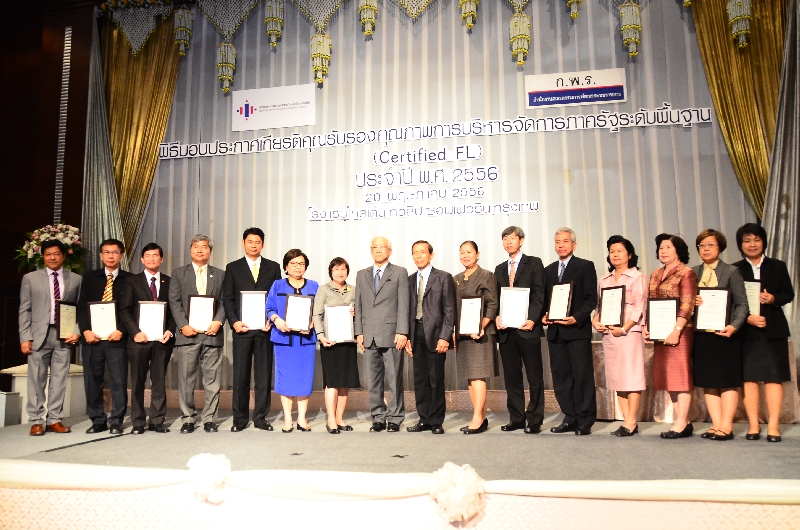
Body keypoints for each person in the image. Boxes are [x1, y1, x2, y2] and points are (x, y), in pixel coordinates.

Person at [733, 223, 795, 443]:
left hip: (773, 328)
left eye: (756, 240)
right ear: (741, 245)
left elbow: (789, 294)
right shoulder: (735, 269)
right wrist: (747, 317)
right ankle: (753, 425)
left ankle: (774, 426)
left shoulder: (777, 266)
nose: (752, 244)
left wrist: (773, 298)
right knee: (749, 379)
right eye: (747, 241)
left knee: (773, 378)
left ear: (763, 242)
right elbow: (731, 301)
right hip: (746, 330)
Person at [18, 239, 81, 436]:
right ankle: (36, 420)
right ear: (43, 256)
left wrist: (77, 331)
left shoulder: (76, 279)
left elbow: (80, 309)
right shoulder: (30, 278)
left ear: (63, 256)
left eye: (56, 254)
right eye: (48, 254)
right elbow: (25, 309)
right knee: (36, 379)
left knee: (59, 379)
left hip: (64, 335)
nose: (52, 257)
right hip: (38, 335)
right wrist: (25, 336)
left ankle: (55, 419)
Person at [691, 229, 748, 441]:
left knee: (727, 381)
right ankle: (716, 425)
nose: (706, 249)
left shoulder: (732, 272)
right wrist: (692, 303)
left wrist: (734, 326)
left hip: (725, 334)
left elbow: (742, 304)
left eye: (711, 245)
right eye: (702, 245)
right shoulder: (692, 272)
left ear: (720, 247)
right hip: (702, 335)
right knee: (709, 381)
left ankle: (727, 426)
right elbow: (684, 303)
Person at [223, 227, 282, 432]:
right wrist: (234, 322)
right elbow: (228, 298)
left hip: (265, 329)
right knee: (240, 376)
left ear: (263, 245)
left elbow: (276, 298)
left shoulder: (273, 267)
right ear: (243, 243)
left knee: (263, 376)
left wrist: (272, 321)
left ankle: (260, 418)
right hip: (242, 329)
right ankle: (239, 419)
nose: (254, 245)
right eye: (250, 241)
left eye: (257, 242)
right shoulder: (233, 268)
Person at [542, 227, 598, 435]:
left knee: (582, 376)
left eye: (565, 241)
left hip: (577, 330)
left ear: (574, 245)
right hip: (555, 332)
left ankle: (585, 419)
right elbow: (545, 299)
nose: (561, 245)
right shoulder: (548, 270)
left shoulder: (585, 266)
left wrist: (577, 317)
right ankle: (570, 416)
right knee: (561, 377)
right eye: (557, 242)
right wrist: (543, 315)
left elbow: (591, 298)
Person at [168, 234, 226, 433]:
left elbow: (225, 301)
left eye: (204, 247)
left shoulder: (220, 274)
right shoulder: (178, 273)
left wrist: (218, 321)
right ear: (190, 250)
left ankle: (209, 418)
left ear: (210, 251)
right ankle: (188, 418)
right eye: (196, 246)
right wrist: (183, 325)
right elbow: (174, 302)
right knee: (186, 379)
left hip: (212, 334)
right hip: (187, 335)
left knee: (212, 380)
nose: (200, 250)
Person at [592, 236, 647, 437]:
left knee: (631, 377)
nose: (615, 254)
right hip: (610, 333)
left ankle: (631, 420)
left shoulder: (637, 277)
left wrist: (624, 328)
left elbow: (640, 307)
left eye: (620, 251)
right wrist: (595, 320)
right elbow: (599, 307)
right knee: (618, 379)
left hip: (629, 333)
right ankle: (627, 420)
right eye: (612, 251)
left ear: (629, 255)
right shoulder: (604, 280)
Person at [119, 243, 176, 434]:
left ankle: (157, 421)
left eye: (155, 256)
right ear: (142, 259)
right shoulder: (132, 281)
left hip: (162, 340)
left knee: (159, 382)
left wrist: (170, 331)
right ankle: (137, 422)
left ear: (161, 259)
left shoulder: (169, 281)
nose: (152, 259)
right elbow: (125, 310)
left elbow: (175, 311)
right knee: (137, 383)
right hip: (138, 340)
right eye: (148, 256)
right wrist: (135, 332)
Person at [645, 233, 698, 439]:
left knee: (681, 377)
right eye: (661, 248)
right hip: (660, 332)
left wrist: (676, 330)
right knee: (670, 378)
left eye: (668, 247)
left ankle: (681, 422)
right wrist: (648, 327)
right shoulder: (655, 273)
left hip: (680, 332)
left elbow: (687, 304)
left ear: (678, 250)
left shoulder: (686, 273)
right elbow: (651, 302)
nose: (663, 251)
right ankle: (683, 421)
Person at [494, 226, 546, 434]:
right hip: (507, 331)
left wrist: (533, 319)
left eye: (512, 238)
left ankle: (534, 419)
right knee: (512, 378)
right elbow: (497, 299)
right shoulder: (499, 269)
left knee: (534, 377)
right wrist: (497, 316)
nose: (508, 242)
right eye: (505, 239)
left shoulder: (534, 263)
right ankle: (516, 418)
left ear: (521, 241)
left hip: (528, 328)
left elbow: (539, 294)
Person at [354, 236, 410, 433]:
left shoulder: (400, 272)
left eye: (382, 247)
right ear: (371, 250)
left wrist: (402, 331)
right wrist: (358, 332)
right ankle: (378, 416)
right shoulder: (361, 274)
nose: (378, 250)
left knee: (394, 379)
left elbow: (404, 303)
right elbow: (358, 304)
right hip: (369, 334)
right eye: (375, 247)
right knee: (373, 381)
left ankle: (395, 417)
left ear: (390, 251)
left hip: (392, 334)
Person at [78, 238, 133, 435]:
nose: (111, 256)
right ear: (101, 255)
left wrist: (122, 330)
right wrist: (85, 330)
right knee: (92, 381)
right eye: (107, 252)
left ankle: (116, 420)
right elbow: (82, 306)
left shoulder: (129, 279)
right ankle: (98, 420)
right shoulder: (90, 277)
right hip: (92, 339)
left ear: (121, 256)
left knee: (119, 381)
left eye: (115, 252)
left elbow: (132, 310)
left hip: (117, 338)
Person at [405, 241, 456, 435]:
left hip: (436, 334)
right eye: (415, 253)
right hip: (415, 332)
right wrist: (408, 337)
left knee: (436, 379)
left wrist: (445, 336)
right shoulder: (410, 280)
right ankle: (424, 419)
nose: (418, 256)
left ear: (431, 255)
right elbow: (407, 310)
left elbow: (449, 309)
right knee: (420, 380)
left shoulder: (443, 277)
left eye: (422, 252)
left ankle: (436, 421)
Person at [267, 249, 319, 433]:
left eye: (301, 264)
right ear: (286, 266)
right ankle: (288, 418)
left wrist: (312, 323)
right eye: (294, 263)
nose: (298, 267)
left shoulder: (314, 286)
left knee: (304, 379)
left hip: (305, 341)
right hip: (284, 340)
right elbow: (269, 308)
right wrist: (276, 320)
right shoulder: (277, 285)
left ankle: (302, 418)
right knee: (286, 379)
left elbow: (319, 311)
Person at [453, 241, 499, 435]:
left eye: (469, 252)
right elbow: (454, 308)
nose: (465, 256)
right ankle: (480, 416)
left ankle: (477, 418)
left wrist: (481, 326)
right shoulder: (456, 278)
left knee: (478, 375)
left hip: (481, 334)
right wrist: (453, 332)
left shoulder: (486, 275)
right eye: (462, 253)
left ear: (477, 254)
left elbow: (493, 304)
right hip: (463, 334)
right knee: (470, 377)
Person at [312, 257, 360, 434]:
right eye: (336, 269)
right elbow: (316, 315)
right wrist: (321, 336)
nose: (340, 272)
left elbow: (361, 313)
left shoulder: (353, 290)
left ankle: (340, 418)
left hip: (348, 342)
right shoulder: (323, 289)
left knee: (344, 382)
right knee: (332, 382)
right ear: (330, 272)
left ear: (347, 272)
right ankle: (331, 419)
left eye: (343, 269)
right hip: (330, 342)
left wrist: (356, 312)